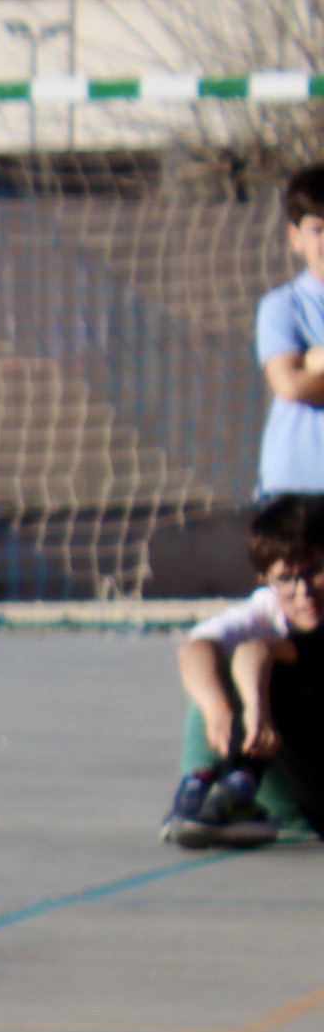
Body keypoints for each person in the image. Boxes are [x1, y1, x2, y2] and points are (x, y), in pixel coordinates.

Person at [163, 493, 324, 849]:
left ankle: (239, 790)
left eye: (314, 571)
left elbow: (259, 650)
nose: (304, 592)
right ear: (265, 578)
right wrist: (218, 711)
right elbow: (196, 649)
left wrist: (256, 707)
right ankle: (201, 788)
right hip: (297, 780)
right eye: (286, 579)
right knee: (214, 676)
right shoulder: (269, 608)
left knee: (269, 676)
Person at [255, 163, 324, 496]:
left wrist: (314, 362)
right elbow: (291, 385)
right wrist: (305, 369)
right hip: (298, 484)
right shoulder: (283, 306)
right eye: (318, 229)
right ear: (295, 237)